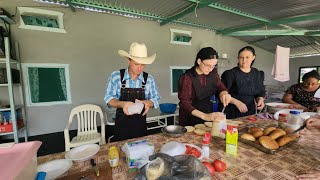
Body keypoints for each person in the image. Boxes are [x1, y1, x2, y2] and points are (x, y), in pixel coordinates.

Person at [104, 42, 160, 141]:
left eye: (143, 64)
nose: (140, 68)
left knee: (141, 152)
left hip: (140, 127)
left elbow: (156, 98)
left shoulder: (149, 79)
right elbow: (109, 98)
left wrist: (148, 103)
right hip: (121, 127)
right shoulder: (116, 76)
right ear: (128, 60)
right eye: (136, 64)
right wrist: (122, 104)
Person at [178, 47, 231, 126]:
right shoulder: (187, 77)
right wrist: (205, 116)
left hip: (207, 113)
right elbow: (185, 103)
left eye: (213, 66)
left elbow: (220, 87)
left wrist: (224, 93)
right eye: (208, 65)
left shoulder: (213, 72)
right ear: (199, 61)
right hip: (189, 117)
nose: (210, 69)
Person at [220, 46, 266, 119]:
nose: (244, 60)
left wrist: (260, 99)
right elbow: (221, 93)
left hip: (250, 111)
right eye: (241, 57)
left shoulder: (257, 73)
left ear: (253, 57)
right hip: (231, 111)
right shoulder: (230, 74)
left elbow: (260, 91)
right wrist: (236, 102)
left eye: (247, 57)